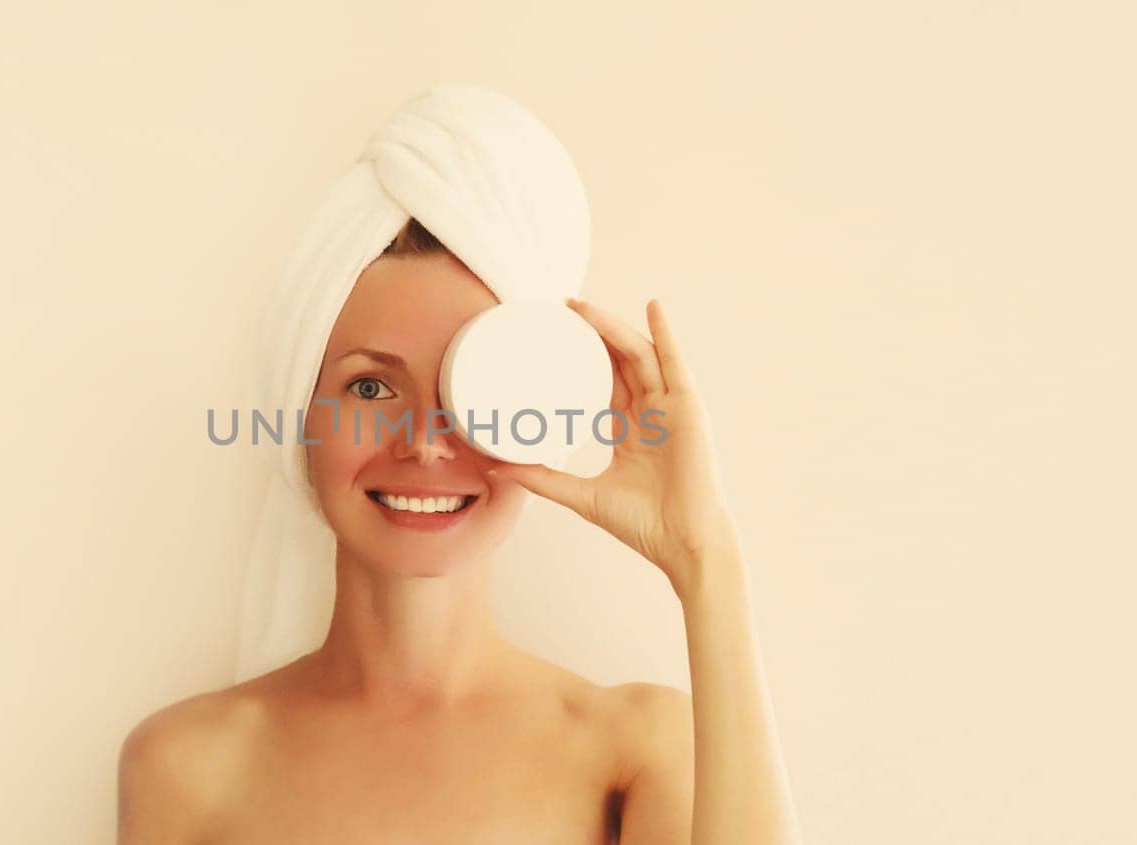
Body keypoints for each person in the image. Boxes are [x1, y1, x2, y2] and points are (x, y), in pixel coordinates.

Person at [119, 86, 801, 843]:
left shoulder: (639, 749)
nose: (427, 441)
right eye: (371, 385)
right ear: (298, 409)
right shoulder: (186, 765)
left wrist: (706, 558)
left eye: (472, 390)